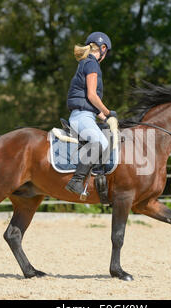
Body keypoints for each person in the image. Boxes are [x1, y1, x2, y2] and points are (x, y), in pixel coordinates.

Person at [65, 32, 117, 195]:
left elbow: (89, 105)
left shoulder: (84, 62)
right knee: (101, 142)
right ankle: (76, 181)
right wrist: (109, 113)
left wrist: (105, 118)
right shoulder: (92, 64)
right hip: (81, 117)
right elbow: (92, 96)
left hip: (84, 115)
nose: (105, 55)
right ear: (102, 48)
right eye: (106, 52)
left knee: (105, 135)